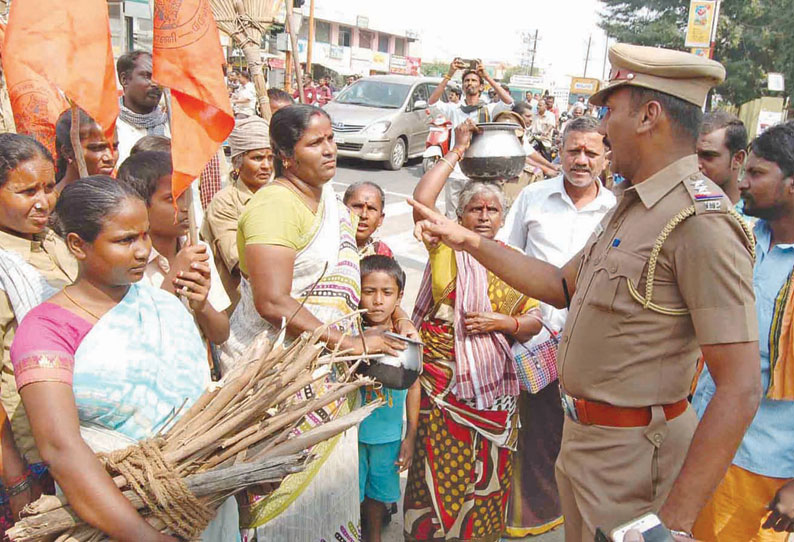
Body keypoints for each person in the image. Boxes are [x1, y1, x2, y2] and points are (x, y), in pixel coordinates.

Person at [409, 43, 760, 541]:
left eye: (609, 112)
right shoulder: (631, 206)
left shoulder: (700, 222)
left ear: (649, 115)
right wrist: (466, 240)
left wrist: (673, 523)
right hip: (586, 443)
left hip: (636, 457)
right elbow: (558, 285)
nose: (602, 128)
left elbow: (741, 386)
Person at [9, 177, 239, 542]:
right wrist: (146, 536)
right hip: (112, 517)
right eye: (125, 240)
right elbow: (61, 448)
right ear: (77, 245)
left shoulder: (162, 304)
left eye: (145, 235)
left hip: (202, 502)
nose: (143, 251)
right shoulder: (46, 329)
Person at [219, 104, 410, 541]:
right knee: (280, 501)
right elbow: (271, 300)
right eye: (314, 143)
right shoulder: (274, 205)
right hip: (275, 380)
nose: (329, 150)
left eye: (330, 139)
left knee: (323, 496)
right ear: (286, 155)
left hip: (324, 376)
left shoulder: (332, 207)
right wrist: (348, 341)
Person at [404, 119, 542, 542]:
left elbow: (535, 320)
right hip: (441, 386)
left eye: (492, 210)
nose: (483, 217)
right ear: (459, 215)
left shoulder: (512, 258)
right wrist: (456, 151)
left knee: (488, 473)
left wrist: (505, 323)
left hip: (494, 392)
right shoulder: (445, 244)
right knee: (434, 471)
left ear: (503, 218)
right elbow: (421, 199)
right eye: (474, 209)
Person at [497, 115, 616, 538]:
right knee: (530, 434)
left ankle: (570, 515)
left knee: (579, 435)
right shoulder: (533, 197)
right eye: (573, 150)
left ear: (606, 157)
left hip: (590, 345)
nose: (581, 160)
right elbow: (507, 258)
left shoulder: (617, 210)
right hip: (533, 339)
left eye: (590, 152)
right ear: (560, 152)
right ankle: (528, 518)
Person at [690, 121, 794, 542]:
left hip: (764, 467)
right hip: (699, 439)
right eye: (743, 170)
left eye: (757, 174)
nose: (743, 182)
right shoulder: (740, 234)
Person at [0, 134, 77, 536]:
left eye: (49, 187)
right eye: (26, 191)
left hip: (73, 433)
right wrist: (14, 475)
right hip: (27, 448)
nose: (43, 201)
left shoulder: (55, 241)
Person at [116, 151, 230, 357]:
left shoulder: (197, 251)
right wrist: (175, 275)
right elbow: (142, 336)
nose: (185, 207)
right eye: (172, 199)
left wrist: (202, 306)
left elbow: (221, 334)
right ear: (140, 206)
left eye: (186, 196)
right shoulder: (127, 261)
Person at [357, 254, 420, 542]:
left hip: (388, 437)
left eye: (387, 293)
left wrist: (411, 435)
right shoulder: (350, 334)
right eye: (369, 292)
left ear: (400, 296)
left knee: (377, 497)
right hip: (352, 438)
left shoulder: (405, 336)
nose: (378, 301)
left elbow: (414, 385)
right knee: (351, 495)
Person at [427, 58, 514, 218]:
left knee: (476, 217)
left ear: (481, 87)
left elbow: (508, 102)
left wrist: (487, 77)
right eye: (466, 80)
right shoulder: (454, 109)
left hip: (479, 174)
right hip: (456, 173)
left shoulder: (488, 109)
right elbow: (432, 103)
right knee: (452, 218)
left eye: (474, 80)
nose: (470, 83)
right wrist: (449, 74)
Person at [201, 116, 273, 309]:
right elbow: (239, 263)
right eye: (257, 158)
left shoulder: (277, 196)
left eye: (270, 158)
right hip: (238, 306)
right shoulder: (225, 202)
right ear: (238, 162)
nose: (266, 165)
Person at [115, 51, 169, 165]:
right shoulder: (109, 127)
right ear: (124, 80)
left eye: (159, 78)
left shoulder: (172, 126)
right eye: (147, 76)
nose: (155, 84)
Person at [54, 108, 119, 193]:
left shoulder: (121, 197)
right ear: (67, 152)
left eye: (114, 147)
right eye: (97, 148)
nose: (109, 157)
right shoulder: (53, 203)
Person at [696, 110, 748, 210]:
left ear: (738, 159)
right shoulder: (679, 209)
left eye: (708, 156)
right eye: (693, 155)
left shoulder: (756, 219)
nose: (697, 164)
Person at [343, 181, 394, 258]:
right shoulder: (325, 245)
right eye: (357, 206)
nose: (363, 215)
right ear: (342, 210)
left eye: (371, 208)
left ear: (380, 219)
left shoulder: (383, 254)